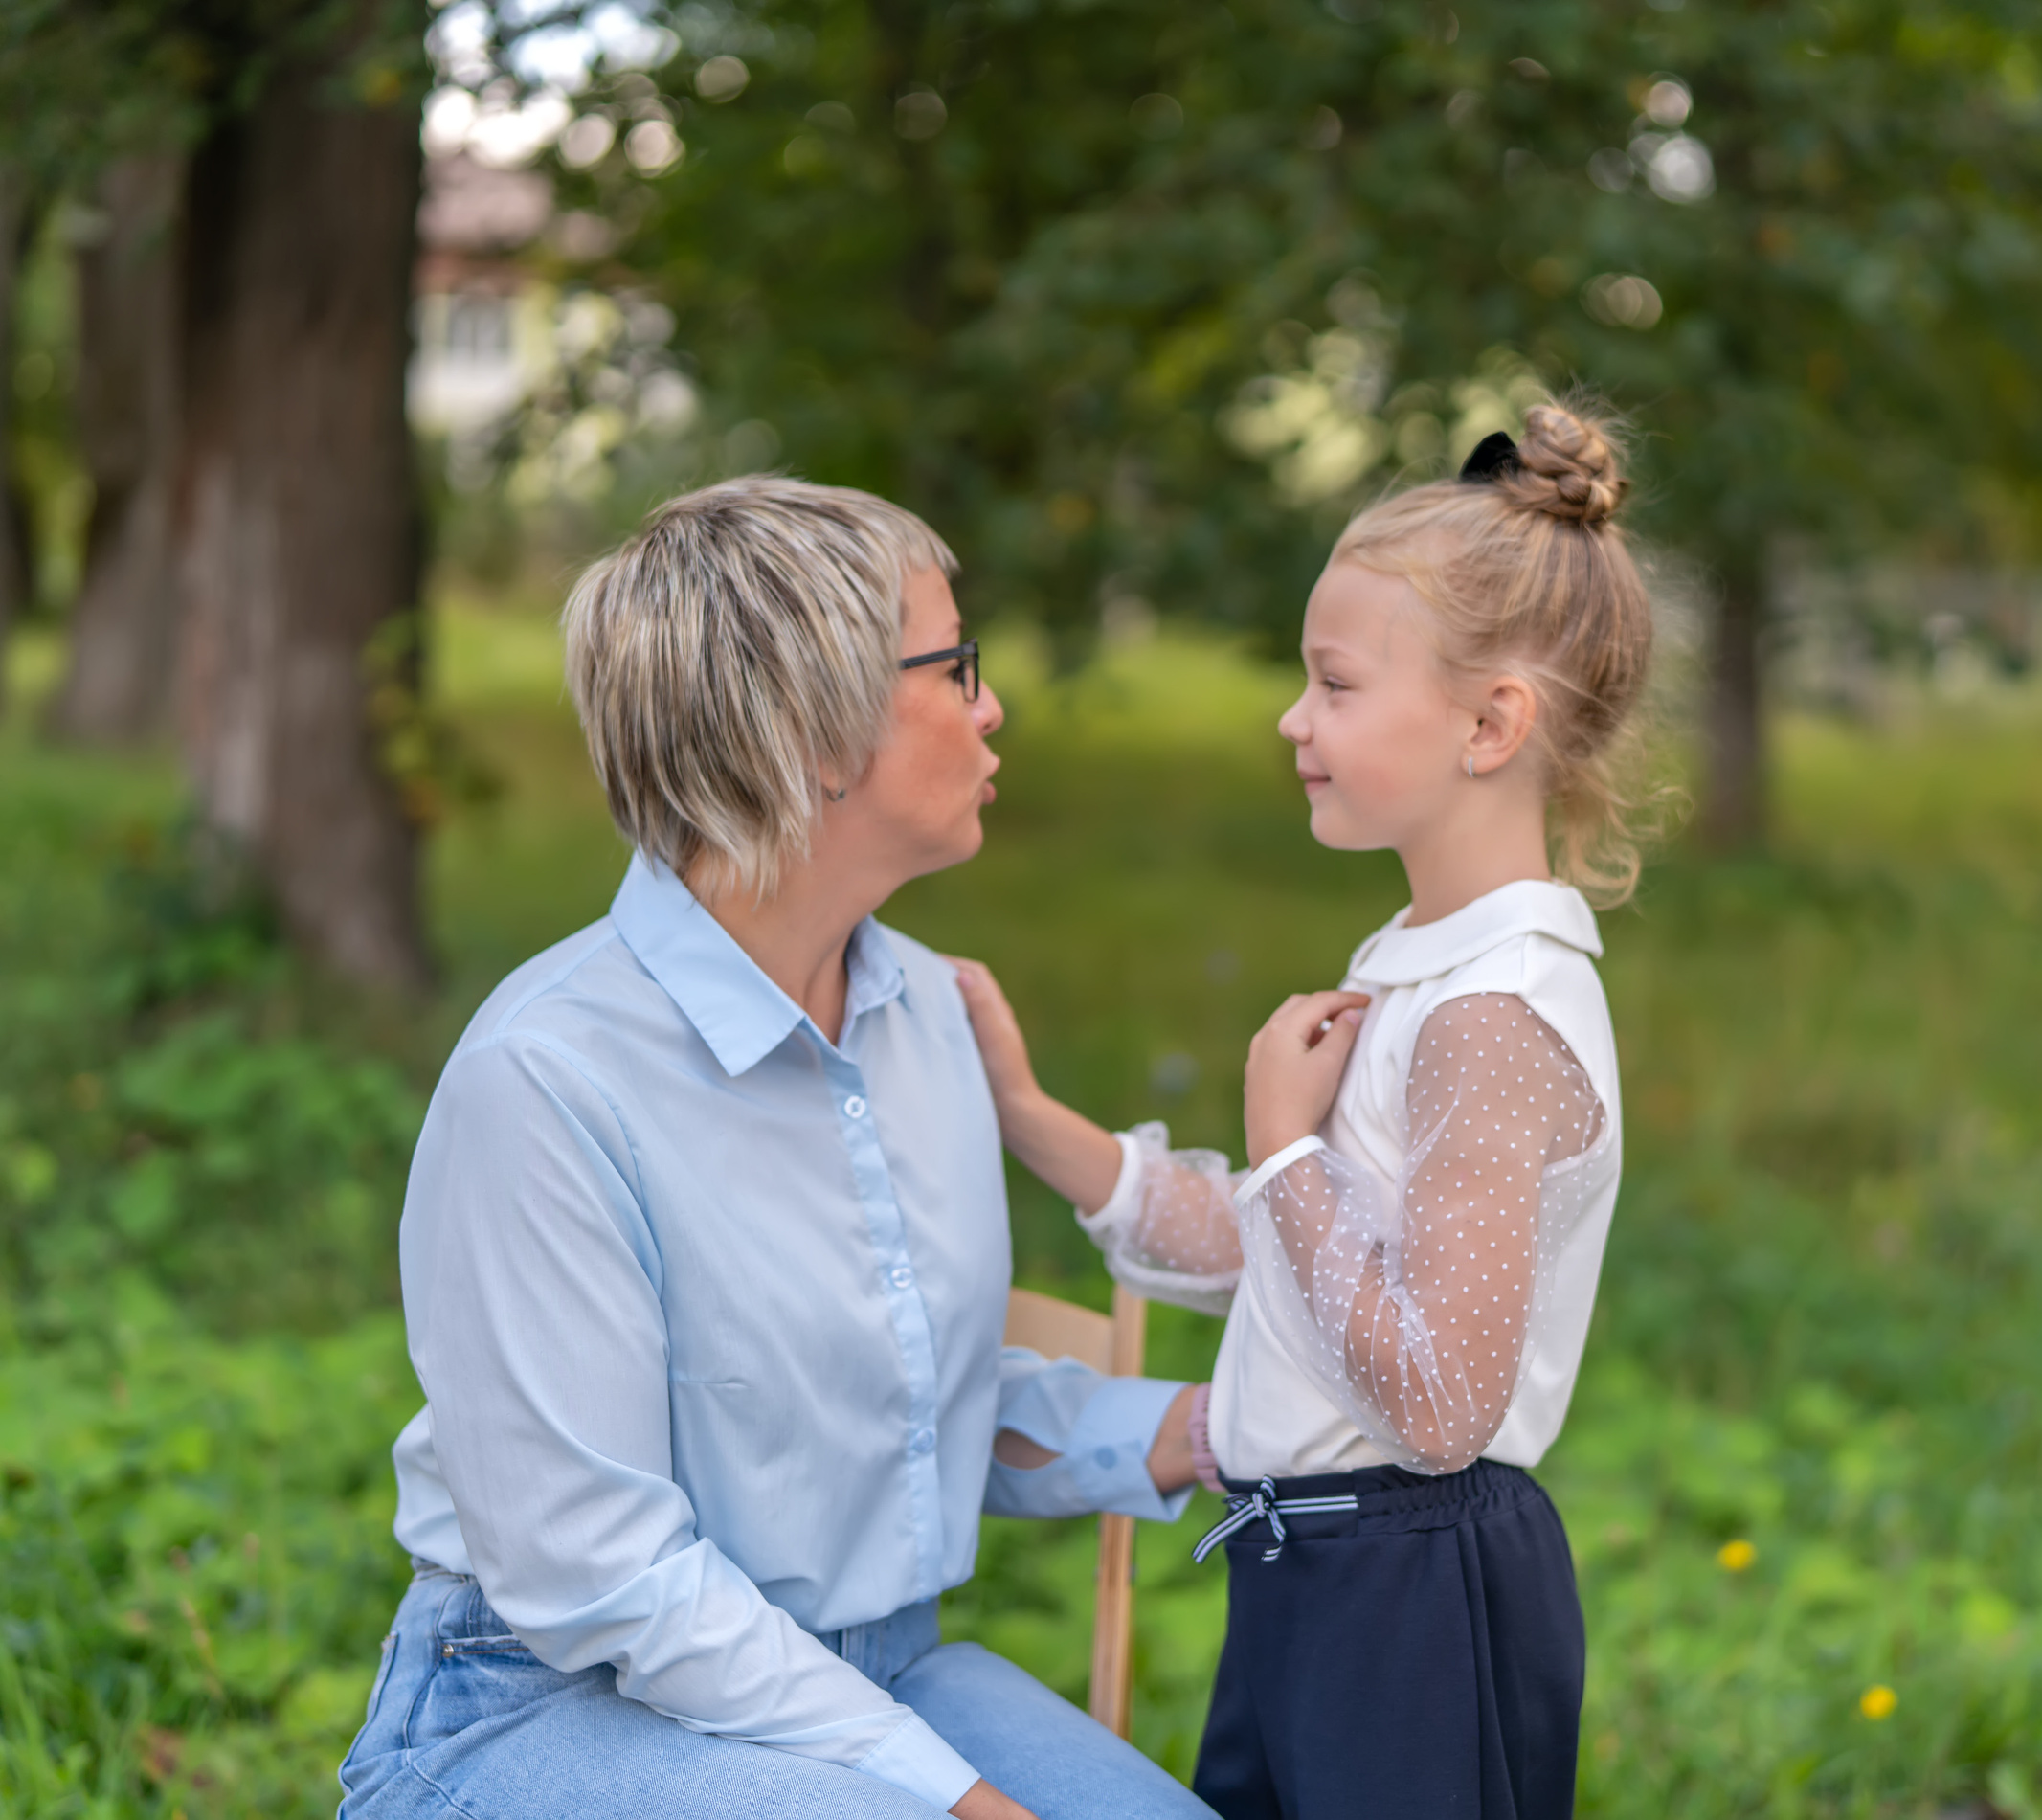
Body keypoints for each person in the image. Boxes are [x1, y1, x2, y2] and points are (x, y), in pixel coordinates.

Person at [339, 478, 1216, 1820]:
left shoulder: (926, 1010)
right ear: (811, 730)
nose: (990, 707)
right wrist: (953, 1799)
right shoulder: (549, 1080)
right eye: (955, 665)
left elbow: (916, 1409)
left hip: (872, 1676)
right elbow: (607, 1576)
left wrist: (1221, 1431)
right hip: (543, 1706)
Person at [954, 400, 1650, 1820]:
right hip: (1317, 1566)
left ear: (1489, 722)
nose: (1293, 718)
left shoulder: (1492, 1013)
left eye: (1332, 683)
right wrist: (1030, 1114)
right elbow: (1309, 1265)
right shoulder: (1420, 962)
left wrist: (1285, 1149)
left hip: (1412, 1585)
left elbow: (1442, 1400)